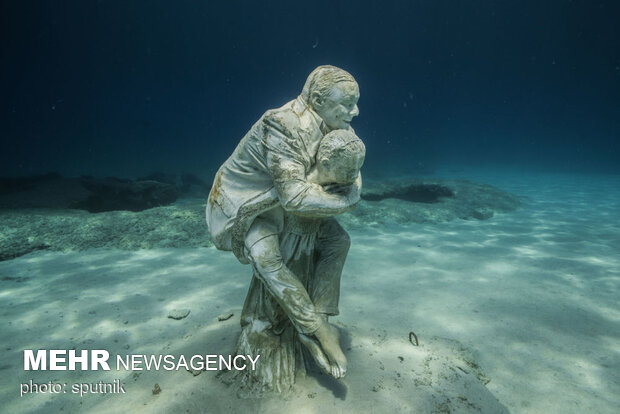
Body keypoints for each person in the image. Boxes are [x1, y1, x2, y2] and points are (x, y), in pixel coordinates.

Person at [206, 66, 361, 386]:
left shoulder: (337, 123)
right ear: (317, 99)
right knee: (269, 261)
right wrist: (346, 202)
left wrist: (349, 192)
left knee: (337, 242)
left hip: (283, 203)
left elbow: (354, 169)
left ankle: (320, 314)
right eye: (347, 104)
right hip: (245, 206)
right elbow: (294, 198)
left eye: (355, 102)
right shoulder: (282, 124)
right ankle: (312, 328)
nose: (355, 111)